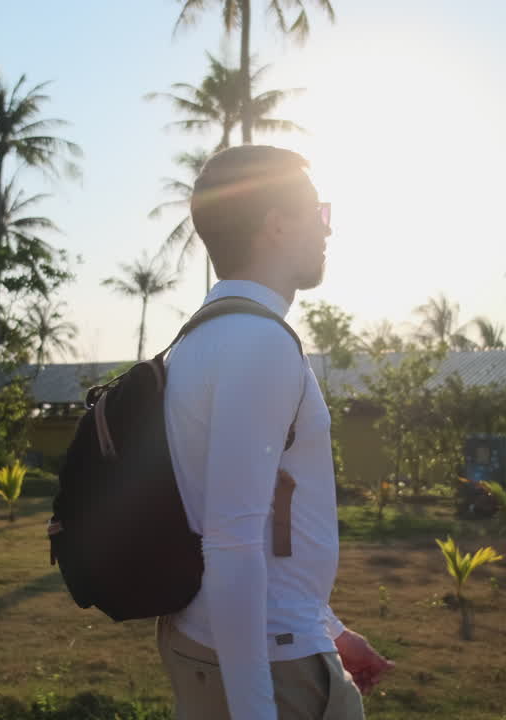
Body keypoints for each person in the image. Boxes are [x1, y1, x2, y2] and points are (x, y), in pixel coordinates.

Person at [158, 145, 393, 720]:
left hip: (218, 639)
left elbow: (262, 524)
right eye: (318, 211)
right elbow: (231, 543)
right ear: (277, 224)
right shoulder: (260, 344)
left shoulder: (197, 339)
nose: (327, 229)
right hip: (270, 665)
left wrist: (327, 627)